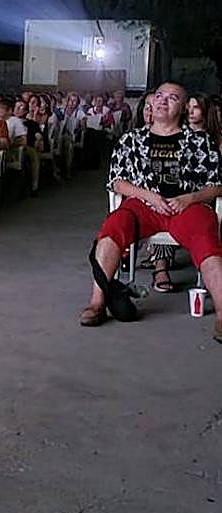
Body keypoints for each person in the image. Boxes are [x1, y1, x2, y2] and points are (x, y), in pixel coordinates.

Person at [81, 82, 222, 342]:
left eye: (172, 98)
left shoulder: (200, 141)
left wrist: (190, 198)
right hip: (143, 204)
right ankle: (97, 303)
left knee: (207, 238)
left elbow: (216, 185)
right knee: (113, 226)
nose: (162, 101)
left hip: (186, 206)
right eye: (159, 96)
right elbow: (116, 182)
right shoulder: (132, 140)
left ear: (182, 108)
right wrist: (150, 197)